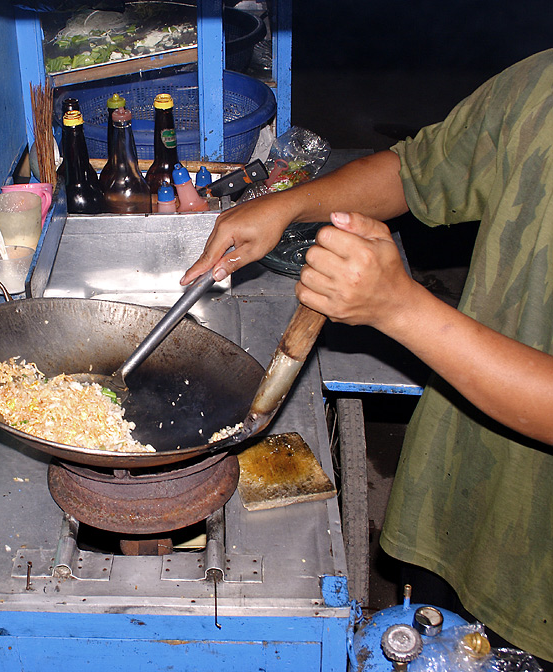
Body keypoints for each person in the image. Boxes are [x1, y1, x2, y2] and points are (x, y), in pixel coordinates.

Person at [182, 50, 553, 663]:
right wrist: (287, 205)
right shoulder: (541, 82)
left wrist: (400, 308)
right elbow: (417, 171)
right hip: (464, 482)